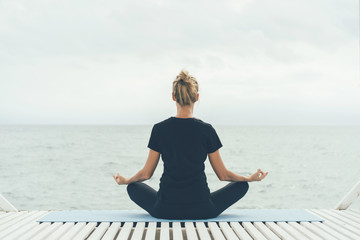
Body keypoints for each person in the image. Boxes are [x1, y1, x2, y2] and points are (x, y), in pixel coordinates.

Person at [113, 70, 268, 219]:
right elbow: (223, 175)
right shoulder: (206, 130)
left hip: (165, 209)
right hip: (202, 209)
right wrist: (249, 178)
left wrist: (126, 181)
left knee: (132, 187)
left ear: (173, 97)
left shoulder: (159, 129)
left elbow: (146, 174)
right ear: (197, 97)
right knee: (242, 186)